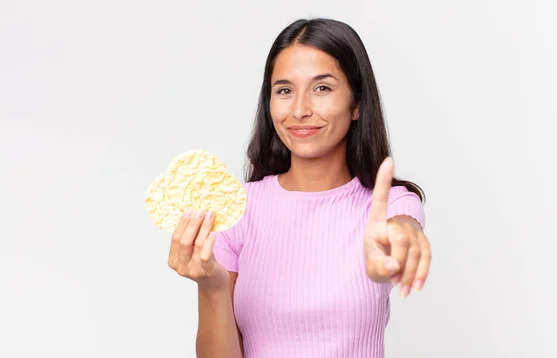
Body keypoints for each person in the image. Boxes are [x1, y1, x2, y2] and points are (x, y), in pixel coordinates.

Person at [167, 18, 432, 358]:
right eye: (285, 90)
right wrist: (212, 285)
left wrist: (401, 239)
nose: (300, 110)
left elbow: (403, 225)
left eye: (322, 88)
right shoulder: (237, 209)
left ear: (357, 104)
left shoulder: (387, 206)